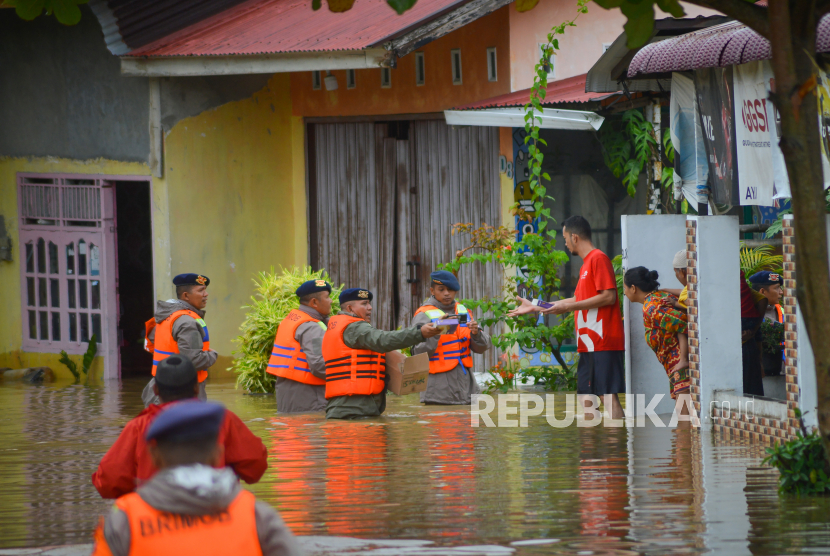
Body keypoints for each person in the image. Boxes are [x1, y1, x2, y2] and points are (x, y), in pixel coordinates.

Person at [91, 401, 300, 556]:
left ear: (155, 456)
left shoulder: (123, 520)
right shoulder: (257, 515)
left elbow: (108, 479)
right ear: (218, 453)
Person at [92, 355, 267, 499]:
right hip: (215, 515)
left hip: (155, 518)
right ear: (196, 388)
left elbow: (108, 483)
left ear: (155, 391)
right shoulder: (222, 419)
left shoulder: (138, 427)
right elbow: (255, 467)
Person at [508, 215, 625, 420]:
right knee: (585, 398)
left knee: (607, 395)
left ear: (574, 237)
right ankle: (593, 450)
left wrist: (568, 307)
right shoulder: (586, 264)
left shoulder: (598, 258)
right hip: (588, 343)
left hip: (602, 340)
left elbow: (609, 297)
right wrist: (536, 306)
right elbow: (576, 299)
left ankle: (617, 448)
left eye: (565, 238)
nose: (565, 243)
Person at [323, 288, 440, 419]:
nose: (370, 308)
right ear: (350, 308)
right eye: (364, 304)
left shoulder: (341, 327)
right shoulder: (354, 328)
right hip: (353, 410)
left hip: (351, 408)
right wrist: (419, 333)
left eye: (369, 303)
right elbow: (383, 340)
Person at [410, 270, 491, 405]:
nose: (447, 293)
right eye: (441, 290)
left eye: (450, 289)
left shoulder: (463, 311)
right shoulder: (423, 314)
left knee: (467, 426)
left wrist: (476, 334)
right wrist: (436, 331)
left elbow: (482, 348)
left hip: (467, 388)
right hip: (438, 391)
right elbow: (417, 353)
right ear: (432, 291)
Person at [623, 267, 691, 412]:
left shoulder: (652, 306)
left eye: (625, 287)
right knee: (685, 423)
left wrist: (683, 359)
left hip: (681, 367)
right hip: (677, 368)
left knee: (684, 424)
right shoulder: (659, 297)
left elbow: (684, 323)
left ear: (633, 288)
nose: (624, 292)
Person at [143, 273, 217, 406]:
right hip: (182, 394)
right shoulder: (187, 322)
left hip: (160, 389)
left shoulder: (166, 315)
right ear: (186, 296)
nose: (206, 294)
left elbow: (152, 344)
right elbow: (193, 360)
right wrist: (212, 355)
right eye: (201, 290)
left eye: (205, 290)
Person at [268, 279, 332, 413]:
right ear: (314, 302)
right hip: (309, 399)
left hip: (289, 396)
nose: (331, 301)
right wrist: (346, 375)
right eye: (327, 297)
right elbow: (319, 364)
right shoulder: (311, 327)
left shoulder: (291, 320)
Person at [749, 270, 785, 377]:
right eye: (776, 288)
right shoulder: (750, 314)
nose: (781, 292)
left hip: (782, 373)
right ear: (762, 292)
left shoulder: (782, 311)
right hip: (760, 373)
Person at [740, 270, 768, 396]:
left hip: (746, 346)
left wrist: (753, 332)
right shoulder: (751, 297)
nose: (781, 293)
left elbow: (757, 335)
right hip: (747, 344)